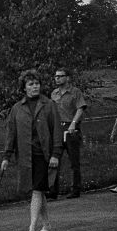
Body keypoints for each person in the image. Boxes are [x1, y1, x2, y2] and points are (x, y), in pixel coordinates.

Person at [1, 69, 62, 231]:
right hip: (26, 157)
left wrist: (56, 154)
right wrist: (6, 156)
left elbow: (57, 130)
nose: (35, 87)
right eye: (31, 84)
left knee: (36, 189)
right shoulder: (17, 109)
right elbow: (11, 134)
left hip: (45, 155)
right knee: (39, 191)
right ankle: (46, 225)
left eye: (37, 83)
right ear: (24, 88)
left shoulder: (49, 105)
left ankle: (31, 228)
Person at [48, 66, 87, 199]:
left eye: (60, 76)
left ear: (67, 78)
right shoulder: (54, 94)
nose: (57, 78)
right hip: (57, 128)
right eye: (56, 76)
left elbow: (80, 108)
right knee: (54, 159)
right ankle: (53, 190)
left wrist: (73, 123)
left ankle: (75, 189)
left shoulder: (75, 92)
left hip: (70, 127)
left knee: (73, 161)